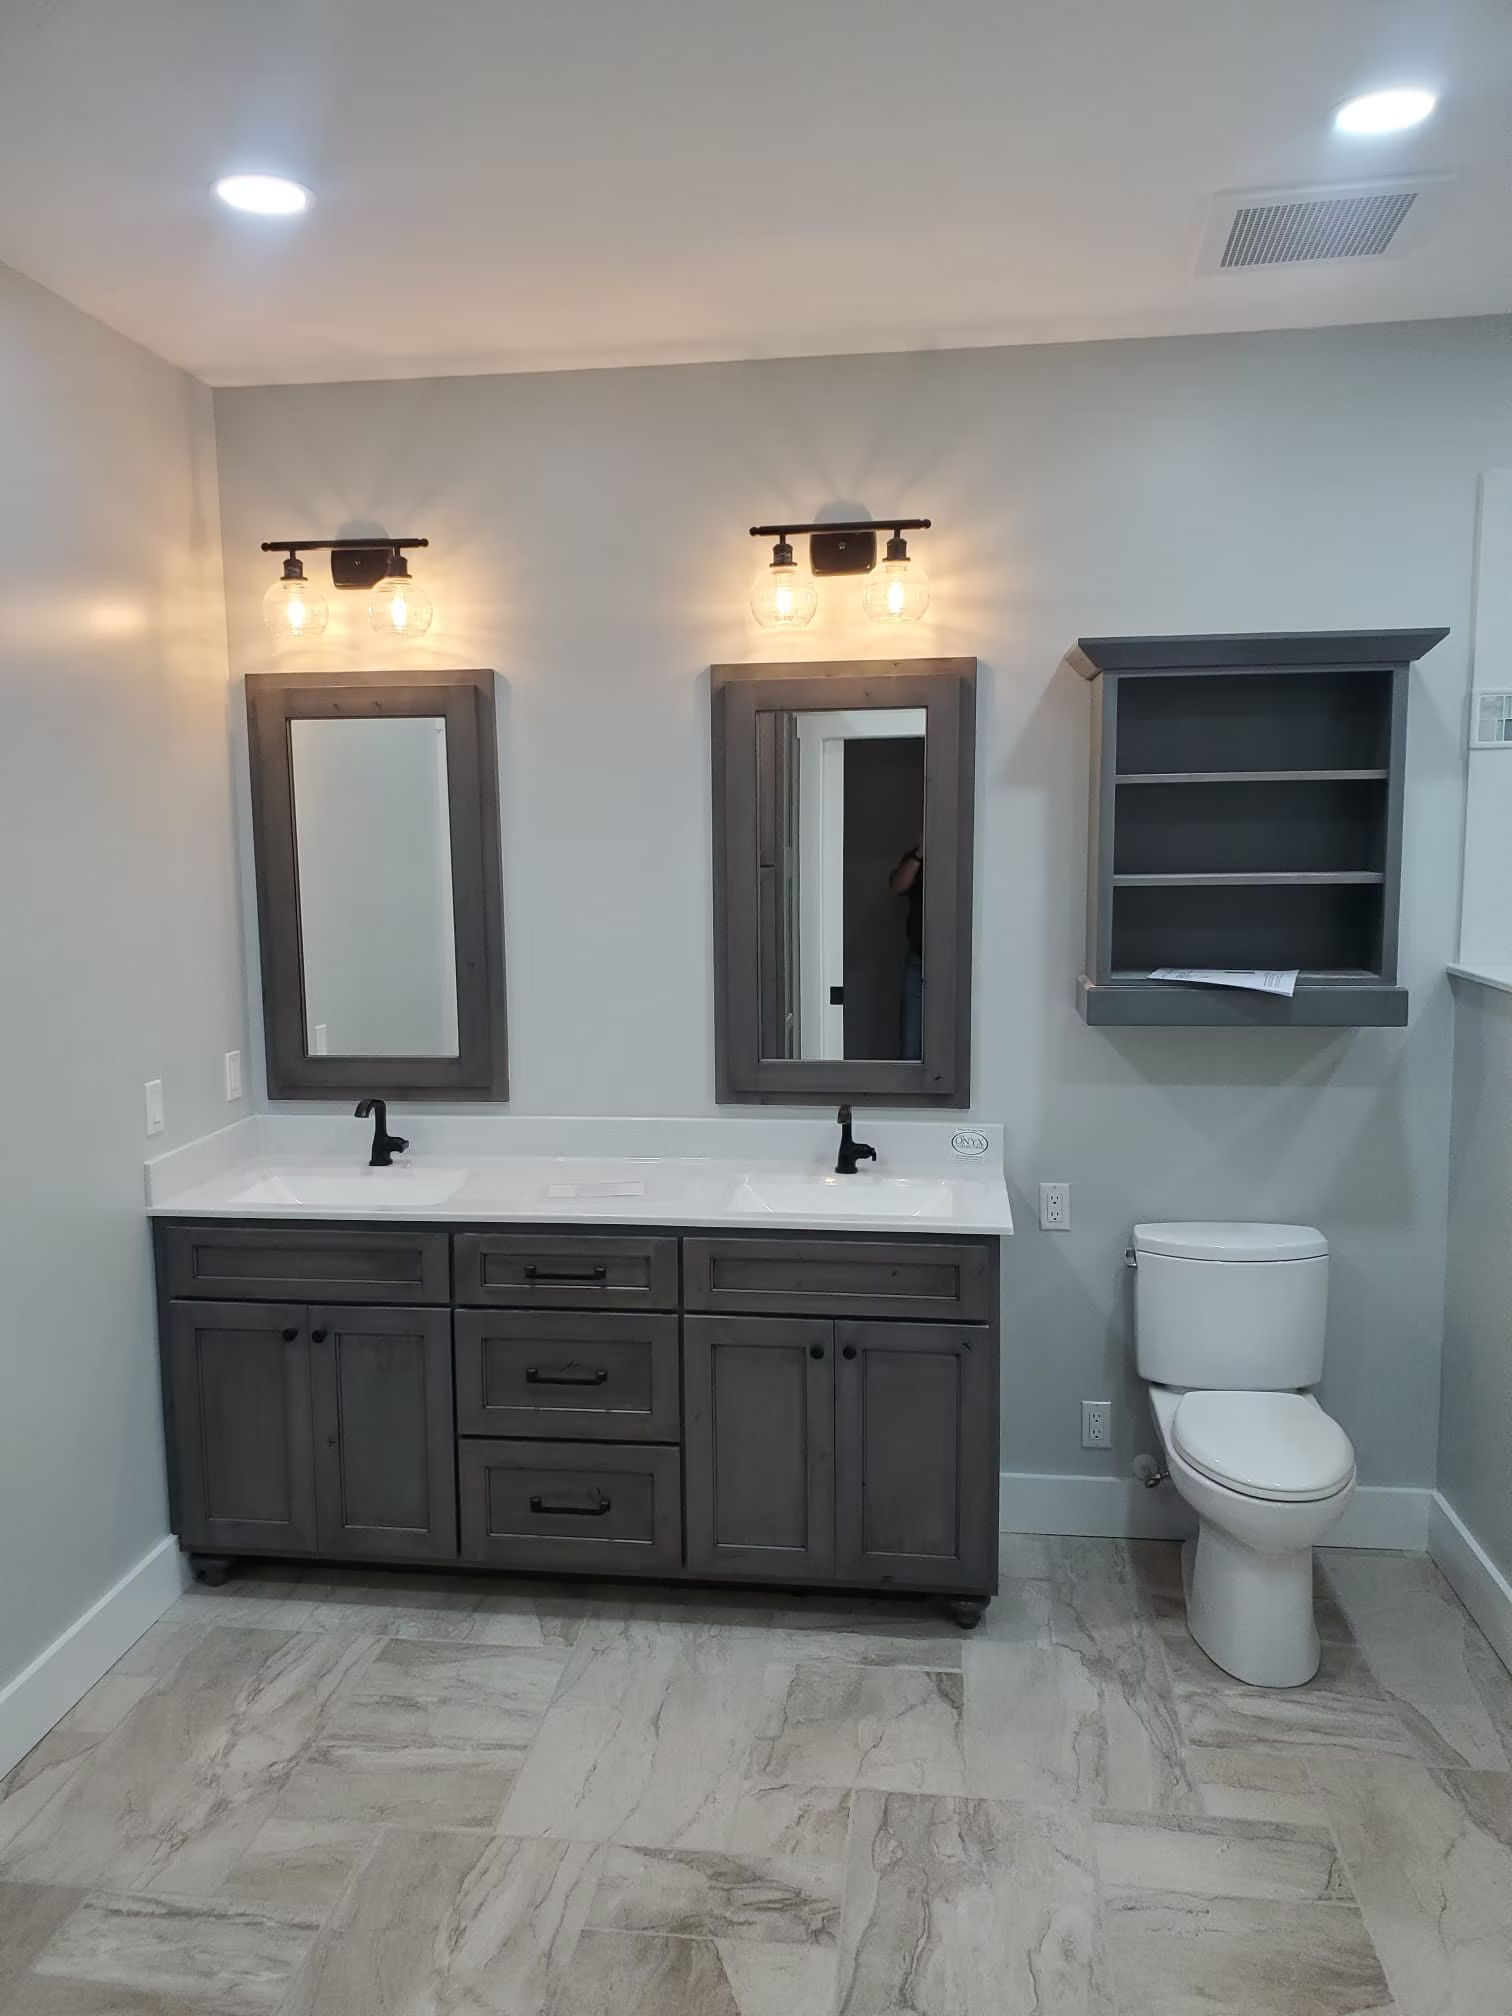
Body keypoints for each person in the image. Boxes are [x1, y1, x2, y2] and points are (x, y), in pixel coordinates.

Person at [889, 841, 924, 1059]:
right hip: (918, 963)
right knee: (911, 1046)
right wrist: (920, 853)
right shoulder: (917, 856)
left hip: (957, 965)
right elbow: (897, 886)